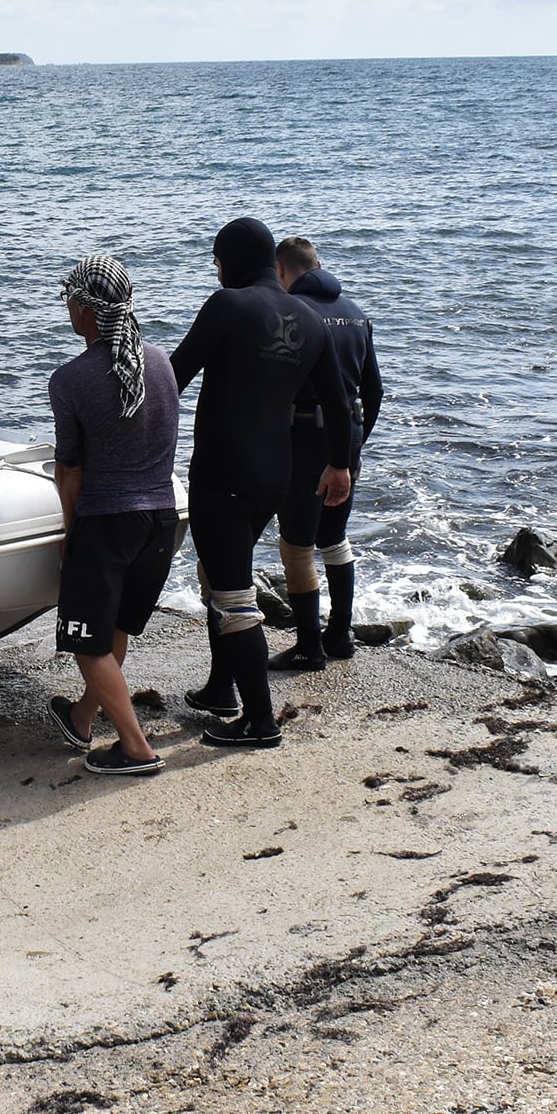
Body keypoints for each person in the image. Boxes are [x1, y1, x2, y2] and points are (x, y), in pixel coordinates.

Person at [169, 218, 353, 748]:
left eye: (216, 261)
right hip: (278, 474)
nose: (216, 270)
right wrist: (339, 465)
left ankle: (258, 721)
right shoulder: (311, 320)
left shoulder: (227, 306)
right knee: (220, 573)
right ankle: (221, 688)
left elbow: (173, 379)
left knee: (231, 593)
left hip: (223, 473)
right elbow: (339, 405)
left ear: (229, 261)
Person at [44, 255, 183, 777]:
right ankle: (82, 717)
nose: (67, 309)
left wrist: (68, 533)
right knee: (113, 627)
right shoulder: (163, 363)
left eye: (69, 300)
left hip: (108, 522)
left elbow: (71, 473)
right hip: (161, 520)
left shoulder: (71, 380)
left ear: (84, 309)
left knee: (85, 641)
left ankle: (135, 748)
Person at [268, 235, 384, 668]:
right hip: (346, 442)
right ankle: (340, 634)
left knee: (296, 545)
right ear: (317, 263)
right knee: (334, 538)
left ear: (281, 271)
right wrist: (352, 447)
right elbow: (374, 391)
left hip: (303, 440)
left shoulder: (293, 314)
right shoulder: (356, 314)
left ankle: (308, 647)